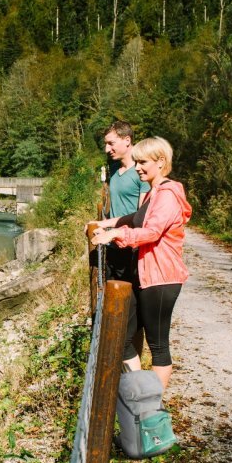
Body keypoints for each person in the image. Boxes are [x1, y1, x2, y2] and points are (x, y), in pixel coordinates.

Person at [87, 137, 192, 389]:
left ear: (161, 162)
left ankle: (151, 409)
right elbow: (137, 218)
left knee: (158, 345)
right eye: (136, 162)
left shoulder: (167, 194)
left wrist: (115, 235)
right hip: (146, 275)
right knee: (124, 336)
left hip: (162, 278)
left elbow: (152, 231)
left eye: (143, 162)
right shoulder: (154, 193)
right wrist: (107, 223)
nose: (137, 168)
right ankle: (139, 393)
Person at [100, 120, 149, 284]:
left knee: (128, 300)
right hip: (111, 245)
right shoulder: (113, 169)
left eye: (111, 143)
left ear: (127, 140)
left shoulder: (142, 172)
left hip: (131, 248)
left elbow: (143, 215)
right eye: (106, 144)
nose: (107, 149)